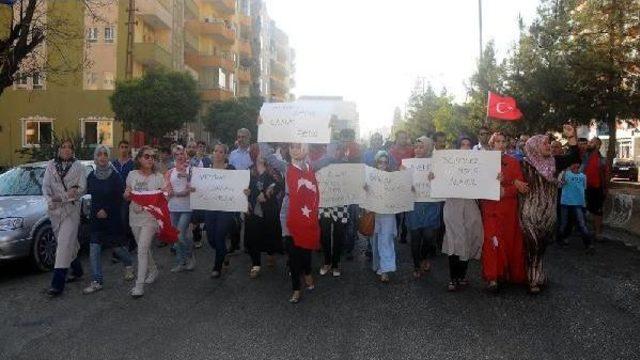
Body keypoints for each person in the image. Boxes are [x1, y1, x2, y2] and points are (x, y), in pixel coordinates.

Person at [263, 142, 335, 303]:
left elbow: (330, 157)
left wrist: (330, 129)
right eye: (292, 147)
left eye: (299, 147)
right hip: (288, 211)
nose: (295, 150)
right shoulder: (286, 167)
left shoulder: (312, 166)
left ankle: (307, 271)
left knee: (305, 246)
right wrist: (262, 128)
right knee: (292, 250)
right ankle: (296, 288)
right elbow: (268, 156)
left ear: (306, 148)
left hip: (307, 211)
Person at [519, 125, 579, 294]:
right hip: (529, 214)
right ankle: (533, 280)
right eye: (544, 144)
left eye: (548, 143)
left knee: (541, 247)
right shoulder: (523, 164)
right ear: (534, 146)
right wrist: (514, 182)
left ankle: (536, 274)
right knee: (533, 245)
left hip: (548, 215)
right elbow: (504, 174)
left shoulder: (555, 162)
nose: (548, 146)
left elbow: (574, 156)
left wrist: (571, 137)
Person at [83, 145, 135, 294]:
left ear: (108, 157)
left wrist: (106, 209)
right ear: (95, 157)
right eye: (99, 154)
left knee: (117, 248)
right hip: (96, 218)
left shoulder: (115, 176)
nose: (102, 157)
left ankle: (129, 263)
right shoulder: (91, 177)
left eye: (105, 154)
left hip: (112, 218)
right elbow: (88, 194)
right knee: (94, 248)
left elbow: (120, 198)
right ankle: (97, 280)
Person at [480, 133, 528, 292]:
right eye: (497, 142)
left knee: (509, 241)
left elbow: (521, 186)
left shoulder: (513, 162)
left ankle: (507, 273)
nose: (500, 144)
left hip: (508, 209)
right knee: (491, 242)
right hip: (490, 209)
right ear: (491, 144)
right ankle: (492, 277)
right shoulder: (482, 162)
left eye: (503, 142)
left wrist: (505, 189)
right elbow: (475, 184)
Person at [43, 139, 87, 297]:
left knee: (62, 245)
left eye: (70, 147)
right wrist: (50, 200)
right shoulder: (50, 165)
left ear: (73, 150)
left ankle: (57, 284)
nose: (67, 150)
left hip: (71, 211)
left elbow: (81, 189)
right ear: (59, 149)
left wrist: (62, 197)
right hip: (55, 212)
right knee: (70, 244)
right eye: (64, 147)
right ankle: (78, 270)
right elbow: (45, 187)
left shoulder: (79, 167)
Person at [440, 137, 484, 292]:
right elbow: (440, 180)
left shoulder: (478, 163)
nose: (465, 147)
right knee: (454, 239)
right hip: (453, 204)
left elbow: (485, 181)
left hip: (470, 204)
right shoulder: (447, 163)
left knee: (471, 236)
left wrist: (495, 178)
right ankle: (453, 278)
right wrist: (433, 178)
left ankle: (462, 275)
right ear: (457, 147)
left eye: (468, 145)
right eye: (462, 145)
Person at [124, 146, 165, 298]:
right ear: (139, 158)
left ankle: (138, 285)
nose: (150, 159)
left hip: (150, 218)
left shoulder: (158, 177)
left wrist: (168, 193)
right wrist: (127, 194)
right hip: (134, 217)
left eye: (152, 157)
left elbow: (164, 196)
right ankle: (153, 270)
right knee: (144, 249)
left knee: (141, 248)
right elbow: (127, 193)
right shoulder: (132, 174)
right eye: (146, 156)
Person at [404, 137, 442, 279]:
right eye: (416, 147)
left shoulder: (436, 163)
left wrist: (436, 177)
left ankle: (424, 257)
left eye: (421, 147)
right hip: (414, 205)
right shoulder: (408, 165)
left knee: (429, 236)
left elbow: (444, 179)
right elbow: (400, 184)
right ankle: (416, 265)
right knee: (415, 237)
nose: (418, 150)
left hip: (431, 204)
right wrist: (403, 176)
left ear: (427, 148)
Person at [204, 143, 237, 278]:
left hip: (226, 209)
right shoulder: (206, 170)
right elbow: (200, 186)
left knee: (219, 236)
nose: (217, 154)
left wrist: (244, 191)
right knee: (211, 239)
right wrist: (194, 189)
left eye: (221, 152)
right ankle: (225, 254)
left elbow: (238, 186)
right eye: (215, 151)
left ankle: (217, 267)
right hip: (210, 207)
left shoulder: (231, 169)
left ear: (226, 155)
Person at [245, 156, 281, 278]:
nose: (262, 155)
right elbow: (244, 187)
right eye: (259, 152)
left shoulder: (272, 170)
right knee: (253, 237)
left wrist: (272, 189)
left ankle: (270, 253)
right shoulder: (249, 170)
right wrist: (249, 199)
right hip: (253, 210)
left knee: (270, 234)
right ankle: (256, 264)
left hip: (269, 208)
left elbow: (280, 183)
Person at [367, 151, 398, 283]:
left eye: (385, 162)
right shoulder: (369, 177)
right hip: (374, 214)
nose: (383, 165)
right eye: (380, 162)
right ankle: (378, 265)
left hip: (388, 215)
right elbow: (364, 194)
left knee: (386, 241)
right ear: (376, 163)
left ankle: (385, 270)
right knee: (374, 241)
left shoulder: (394, 178)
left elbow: (399, 194)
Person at [165, 145, 196, 273]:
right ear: (173, 157)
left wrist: (177, 193)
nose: (179, 156)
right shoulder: (170, 172)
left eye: (181, 153)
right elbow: (166, 188)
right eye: (176, 155)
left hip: (186, 207)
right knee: (175, 237)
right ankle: (180, 262)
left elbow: (191, 189)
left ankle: (190, 256)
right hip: (173, 208)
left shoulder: (190, 170)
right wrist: (168, 191)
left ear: (185, 154)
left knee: (181, 235)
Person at [559, 159, 596, 253]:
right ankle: (561, 239)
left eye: (577, 165)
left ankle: (588, 244)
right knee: (564, 223)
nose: (576, 166)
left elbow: (584, 189)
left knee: (582, 224)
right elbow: (559, 185)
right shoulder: (564, 174)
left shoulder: (583, 176)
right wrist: (563, 177)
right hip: (566, 202)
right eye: (573, 164)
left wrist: (584, 203)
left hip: (578, 203)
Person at [228, 128, 254, 254]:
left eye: (243, 137)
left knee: (249, 218)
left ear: (249, 138)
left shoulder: (254, 153)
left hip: (249, 190)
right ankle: (235, 244)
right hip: (235, 190)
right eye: (239, 136)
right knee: (234, 219)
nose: (240, 139)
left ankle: (249, 245)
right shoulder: (232, 154)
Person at [112, 140, 136, 257]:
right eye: (122, 147)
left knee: (124, 222)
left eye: (126, 147)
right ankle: (120, 248)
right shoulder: (113, 164)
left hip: (127, 198)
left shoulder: (132, 164)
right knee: (116, 223)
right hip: (115, 198)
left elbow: (135, 180)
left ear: (129, 149)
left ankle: (126, 245)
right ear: (118, 148)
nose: (124, 149)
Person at [389, 130, 414, 244]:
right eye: (401, 138)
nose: (403, 140)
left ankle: (404, 232)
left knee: (407, 209)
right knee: (397, 212)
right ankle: (396, 230)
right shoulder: (391, 152)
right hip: (395, 185)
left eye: (405, 137)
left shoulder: (411, 150)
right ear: (396, 138)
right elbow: (388, 167)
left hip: (408, 184)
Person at [583, 137, 609, 241]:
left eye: (592, 142)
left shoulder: (602, 160)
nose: (589, 143)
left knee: (598, 211)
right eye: (589, 141)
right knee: (583, 209)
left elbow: (606, 175)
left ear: (598, 146)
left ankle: (598, 233)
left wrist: (605, 188)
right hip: (584, 188)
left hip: (597, 188)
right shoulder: (584, 156)